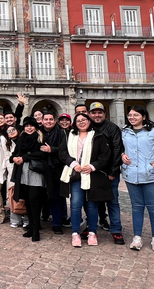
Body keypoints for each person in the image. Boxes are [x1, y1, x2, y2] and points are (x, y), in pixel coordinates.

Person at [120, 105, 154, 252]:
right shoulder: (125, 131)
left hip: (151, 176)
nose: (132, 117)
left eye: (136, 115)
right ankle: (137, 237)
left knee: (153, 207)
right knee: (136, 206)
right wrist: (122, 155)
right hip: (131, 174)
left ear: (143, 116)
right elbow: (120, 148)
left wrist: (153, 167)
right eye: (130, 115)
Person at [58, 113, 112, 248]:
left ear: (89, 121)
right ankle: (75, 232)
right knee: (75, 204)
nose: (81, 122)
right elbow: (62, 152)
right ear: (75, 123)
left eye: (84, 120)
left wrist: (93, 166)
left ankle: (92, 232)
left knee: (92, 205)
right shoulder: (69, 135)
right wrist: (73, 163)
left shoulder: (98, 135)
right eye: (78, 121)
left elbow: (105, 155)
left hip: (92, 175)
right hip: (75, 174)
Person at [88, 102, 125, 245]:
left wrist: (113, 171)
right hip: (92, 171)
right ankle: (91, 228)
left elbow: (117, 150)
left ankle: (116, 230)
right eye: (94, 112)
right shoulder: (87, 126)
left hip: (108, 172)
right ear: (89, 114)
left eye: (100, 112)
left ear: (104, 113)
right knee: (92, 202)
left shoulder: (112, 128)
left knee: (113, 202)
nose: (97, 115)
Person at [10, 116, 47, 242]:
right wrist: (14, 158)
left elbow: (42, 154)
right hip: (23, 173)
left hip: (36, 172)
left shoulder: (40, 137)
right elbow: (14, 153)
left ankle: (36, 229)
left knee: (34, 200)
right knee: (27, 201)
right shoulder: (21, 139)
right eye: (26, 126)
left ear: (35, 127)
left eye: (31, 126)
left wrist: (25, 158)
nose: (29, 128)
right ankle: (31, 227)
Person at [40, 111, 66, 234]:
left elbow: (65, 149)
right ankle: (41, 219)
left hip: (56, 168)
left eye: (51, 119)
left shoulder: (61, 133)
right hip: (40, 168)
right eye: (46, 119)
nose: (48, 121)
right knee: (40, 195)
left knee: (56, 196)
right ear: (42, 121)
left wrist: (52, 150)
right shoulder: (38, 132)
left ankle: (57, 223)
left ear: (55, 121)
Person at [4, 126, 27, 229]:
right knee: (13, 195)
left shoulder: (23, 140)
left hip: (24, 170)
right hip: (12, 172)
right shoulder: (7, 144)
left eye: (13, 130)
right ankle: (15, 219)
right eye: (9, 131)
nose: (11, 132)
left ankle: (26, 219)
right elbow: (7, 158)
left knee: (25, 195)